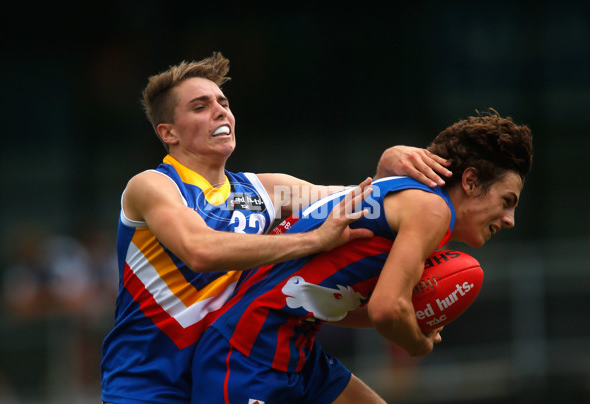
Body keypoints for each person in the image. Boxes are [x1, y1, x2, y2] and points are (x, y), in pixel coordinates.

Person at [100, 52, 452, 404]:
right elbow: (200, 250)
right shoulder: (153, 186)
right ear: (169, 133)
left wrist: (387, 169)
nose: (221, 111)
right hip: (147, 384)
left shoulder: (266, 190)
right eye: (200, 106)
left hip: (236, 364)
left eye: (223, 102)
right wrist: (314, 239)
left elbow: (360, 201)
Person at [189, 109, 533, 403]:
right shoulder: (433, 211)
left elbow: (331, 304)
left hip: (290, 344)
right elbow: (387, 309)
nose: (509, 220)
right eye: (507, 201)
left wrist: (409, 316)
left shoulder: (406, 196)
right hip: (248, 352)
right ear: (471, 181)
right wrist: (417, 341)